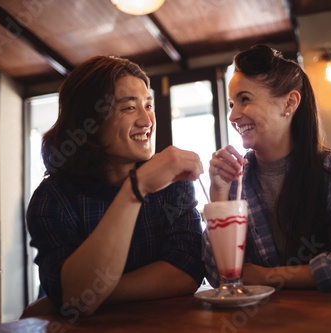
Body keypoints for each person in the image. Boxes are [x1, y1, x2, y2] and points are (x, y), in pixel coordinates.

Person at [26, 55, 205, 316]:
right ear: (90, 121)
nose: (147, 121)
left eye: (148, 105)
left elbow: (186, 271)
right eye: (129, 108)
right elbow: (76, 297)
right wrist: (136, 188)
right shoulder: (53, 198)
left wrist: (77, 298)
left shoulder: (173, 184)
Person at [202, 44, 331, 291]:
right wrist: (218, 194)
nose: (233, 115)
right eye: (231, 104)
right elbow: (219, 277)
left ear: (289, 103)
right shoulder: (236, 181)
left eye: (244, 99)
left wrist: (267, 276)